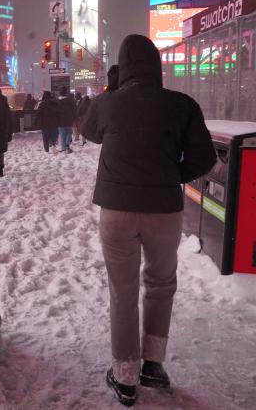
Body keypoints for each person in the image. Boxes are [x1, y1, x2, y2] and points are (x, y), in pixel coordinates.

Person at [81, 34, 217, 407]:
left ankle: (125, 377)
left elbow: (88, 130)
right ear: (156, 66)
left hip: (117, 211)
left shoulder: (109, 103)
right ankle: (153, 364)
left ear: (123, 69)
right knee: (161, 284)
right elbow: (205, 159)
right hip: (164, 211)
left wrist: (111, 89)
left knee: (122, 291)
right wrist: (171, 175)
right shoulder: (181, 105)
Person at [57, 86, 75, 154]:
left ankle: (63, 148)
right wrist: (73, 117)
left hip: (60, 121)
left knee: (62, 134)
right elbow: (73, 110)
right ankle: (67, 144)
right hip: (68, 120)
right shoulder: (70, 101)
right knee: (69, 132)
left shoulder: (57, 101)